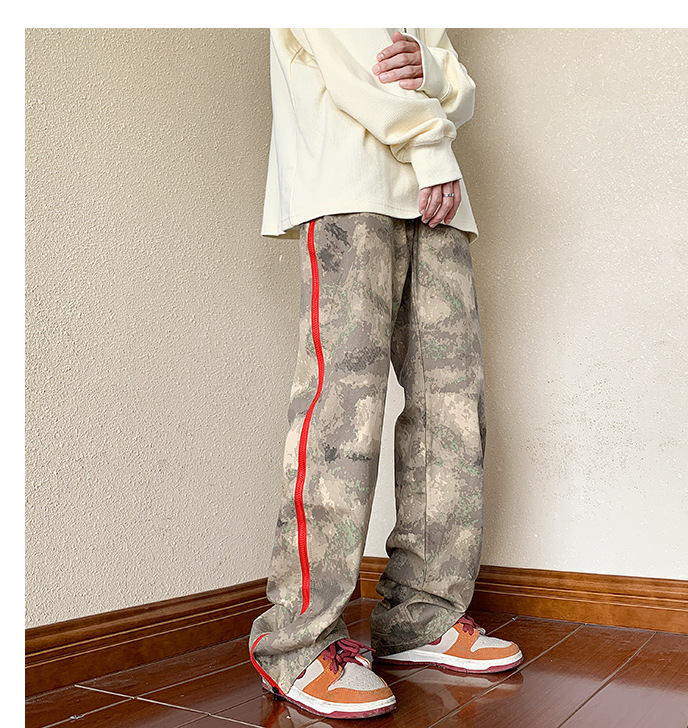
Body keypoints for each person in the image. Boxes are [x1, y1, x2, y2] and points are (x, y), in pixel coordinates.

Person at [248, 28, 523, 720]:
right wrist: (432, 146)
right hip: (350, 187)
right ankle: (297, 642)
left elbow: (458, 84)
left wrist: (433, 70)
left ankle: (422, 615)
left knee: (452, 406)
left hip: (436, 197)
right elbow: (356, 58)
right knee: (343, 409)